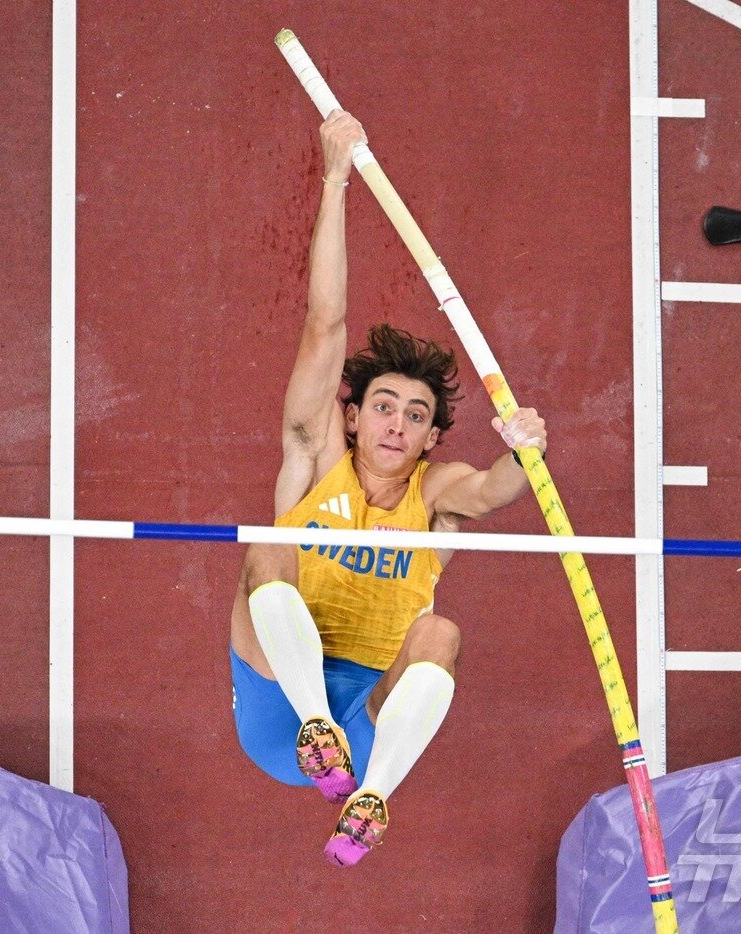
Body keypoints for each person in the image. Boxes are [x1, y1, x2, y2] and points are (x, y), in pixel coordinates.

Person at [229, 109, 548, 867]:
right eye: (383, 407)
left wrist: (524, 452)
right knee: (268, 552)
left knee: (441, 637)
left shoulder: (435, 495)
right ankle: (317, 735)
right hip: (282, 702)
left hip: (369, 717)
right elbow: (324, 322)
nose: (397, 425)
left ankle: (369, 799)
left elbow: (493, 491)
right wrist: (336, 178)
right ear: (353, 416)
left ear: (433, 437)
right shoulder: (312, 455)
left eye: (416, 415)